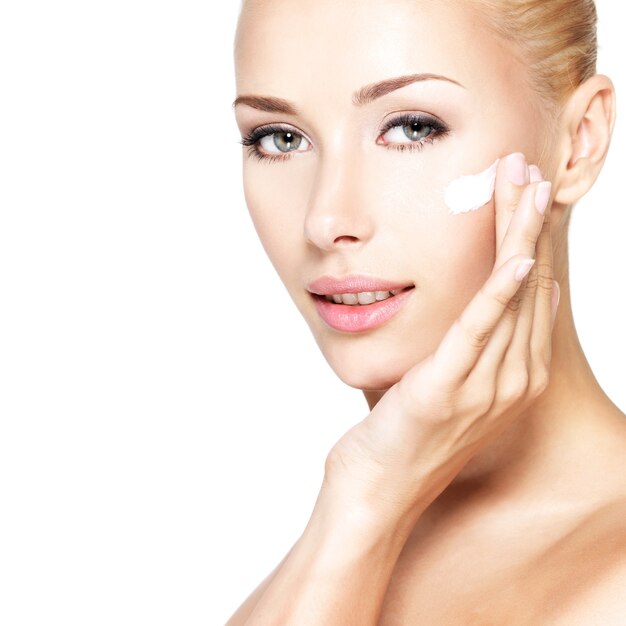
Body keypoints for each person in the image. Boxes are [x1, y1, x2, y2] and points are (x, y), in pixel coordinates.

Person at [227, 0, 626, 623]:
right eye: (280, 139)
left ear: (579, 141)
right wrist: (365, 497)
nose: (326, 220)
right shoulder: (346, 535)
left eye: (412, 128)